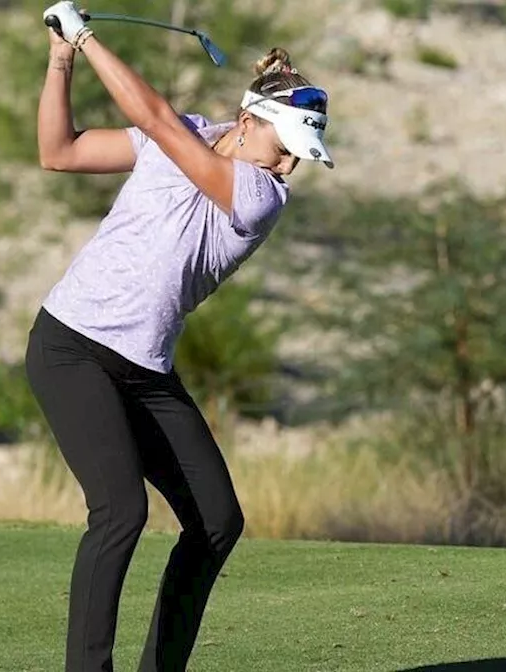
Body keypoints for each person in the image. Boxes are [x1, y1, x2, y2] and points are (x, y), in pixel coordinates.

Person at [25, 3, 333, 670]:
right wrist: (62, 58)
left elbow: (158, 121)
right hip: (71, 345)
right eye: (286, 152)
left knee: (218, 521)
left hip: (143, 369)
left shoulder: (260, 199)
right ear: (248, 123)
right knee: (120, 512)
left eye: (299, 162)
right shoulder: (189, 136)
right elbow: (61, 152)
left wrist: (87, 33)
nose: (287, 172)